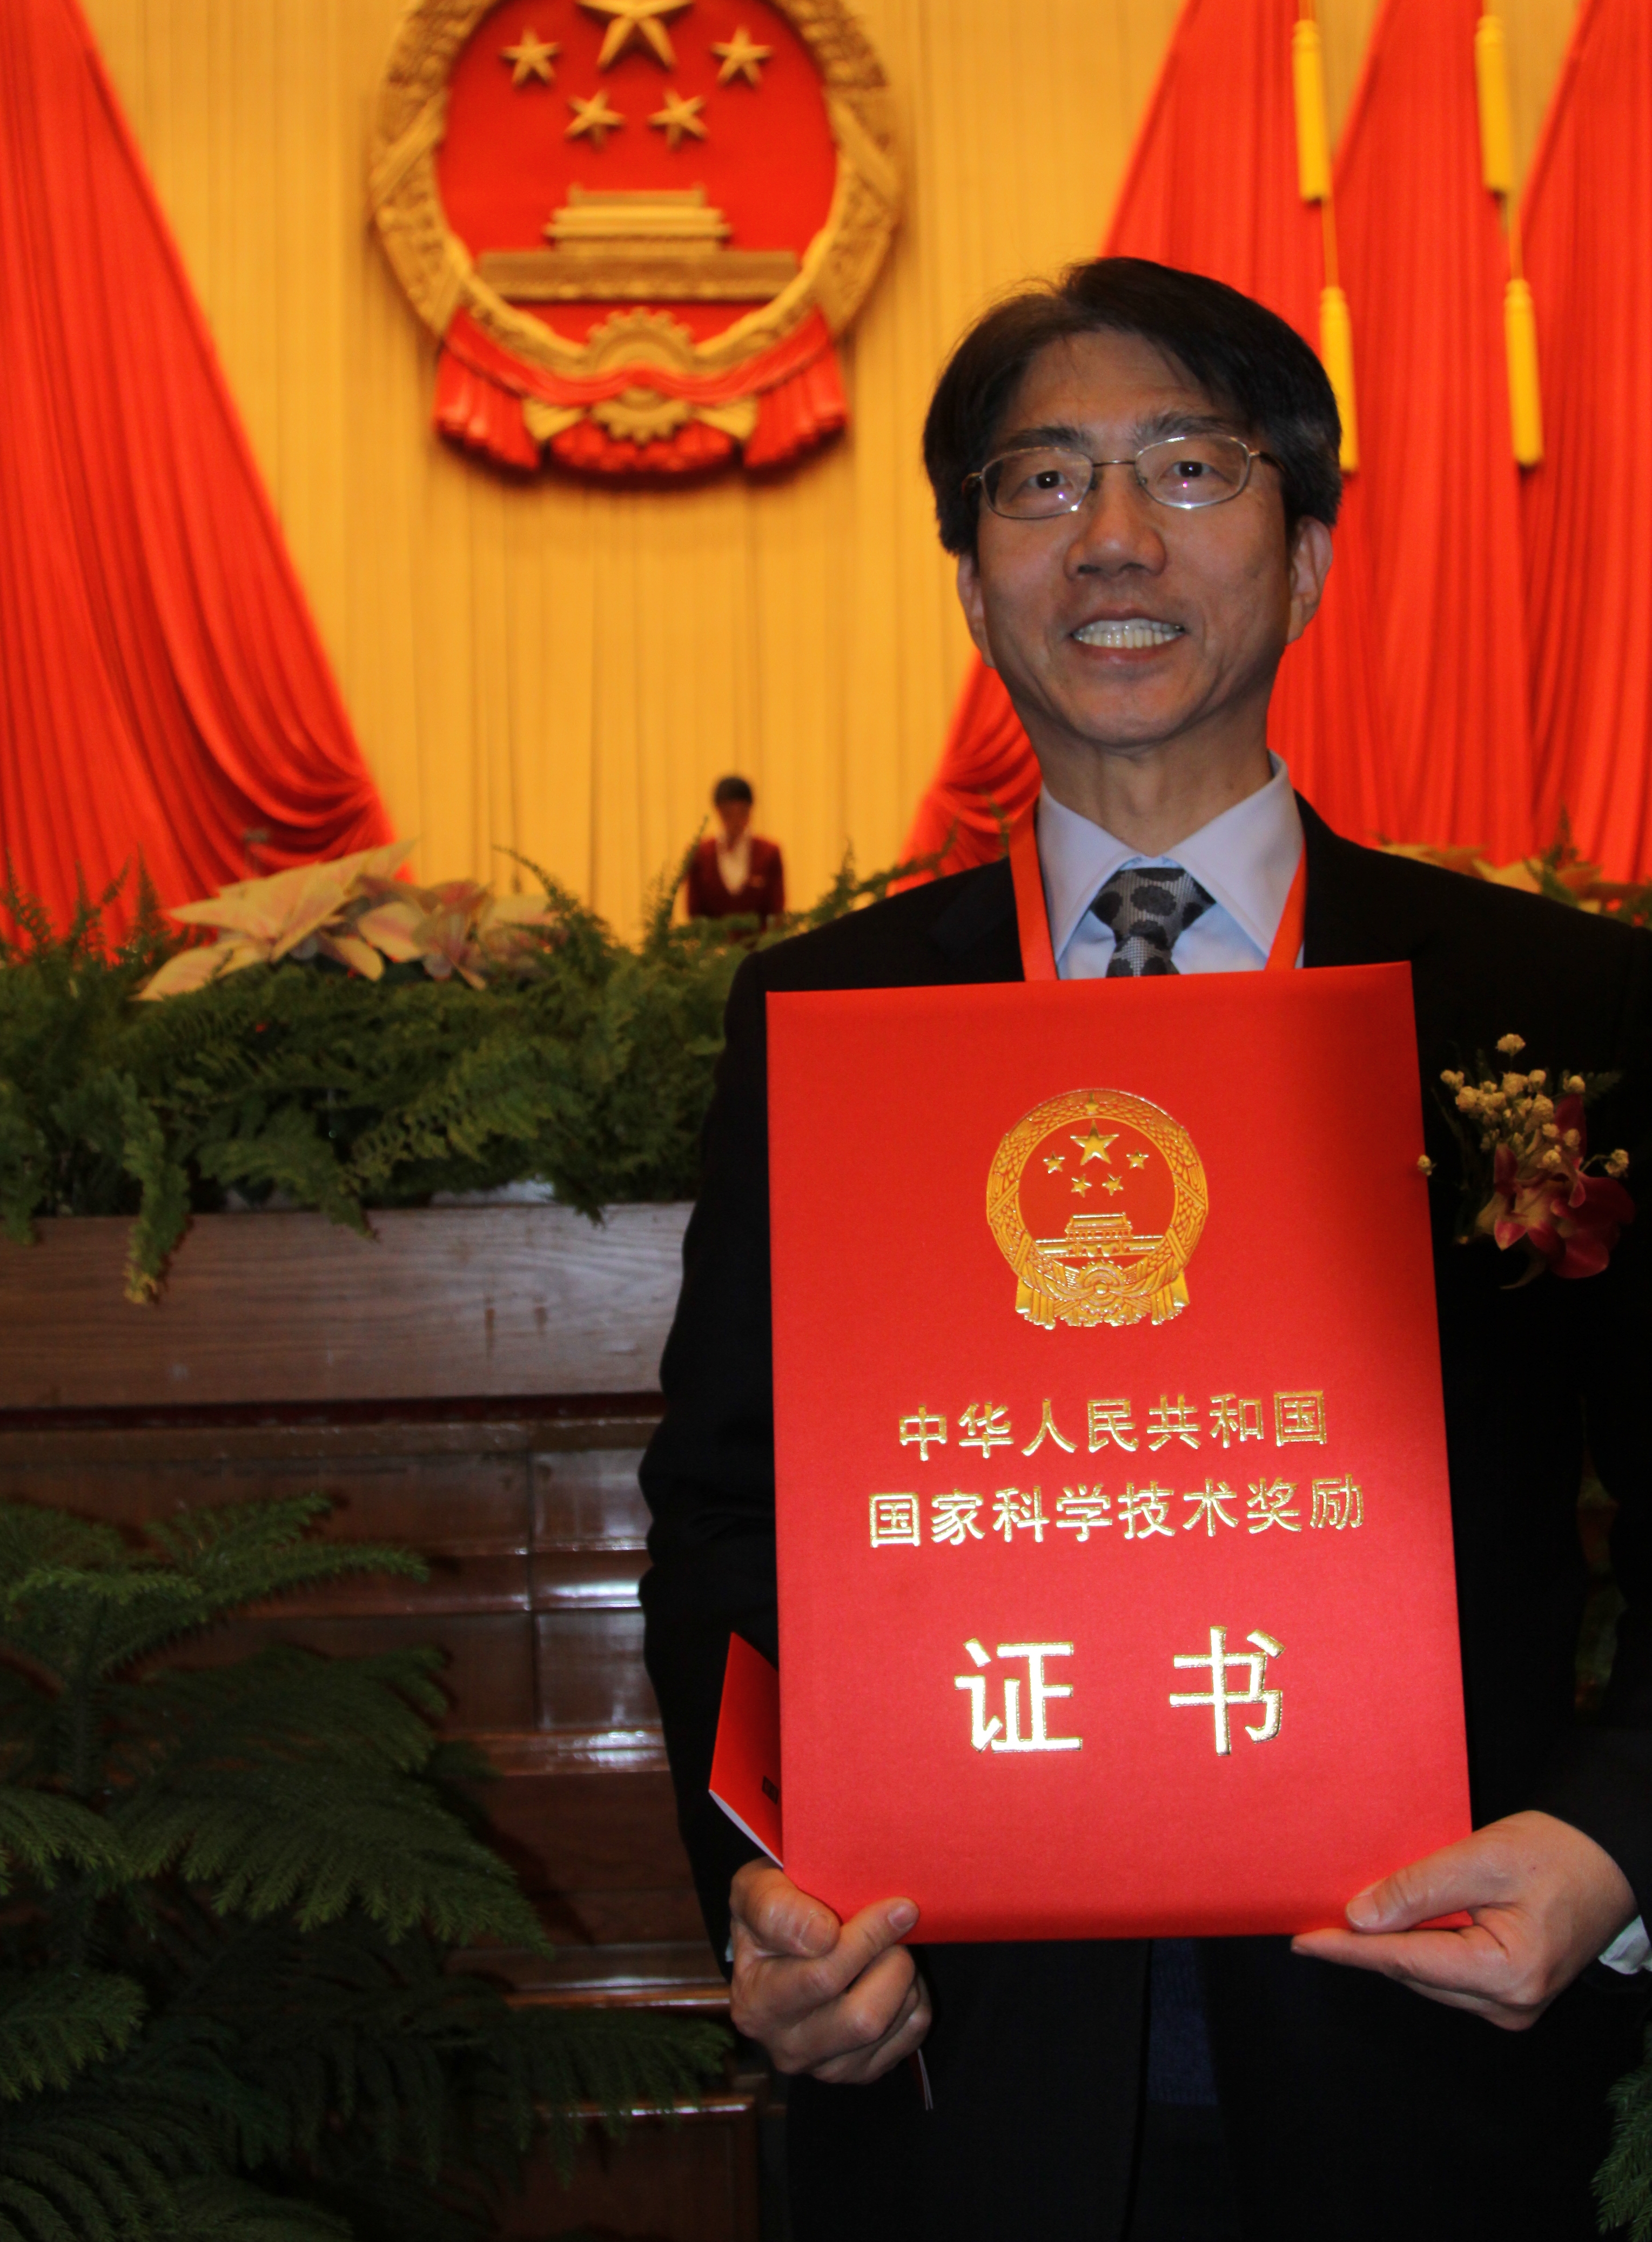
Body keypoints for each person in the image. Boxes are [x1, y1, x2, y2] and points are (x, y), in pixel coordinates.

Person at [639, 258, 1652, 2240]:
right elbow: (722, 1528)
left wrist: (1609, 1853)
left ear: (1310, 555)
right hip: (956, 2077)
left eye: (1190, 471)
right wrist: (767, 1894)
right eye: (1043, 485)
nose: (1114, 539)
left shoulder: (1558, 1009)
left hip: (1439, 2054)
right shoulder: (831, 1015)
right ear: (970, 579)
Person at [686, 776, 785, 925]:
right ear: (718, 811)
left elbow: (776, 910)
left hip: (761, 946)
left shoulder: (769, 853)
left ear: (750, 810)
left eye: (742, 812)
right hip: (714, 946)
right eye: (728, 812)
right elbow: (695, 913)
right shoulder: (701, 854)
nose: (735, 819)